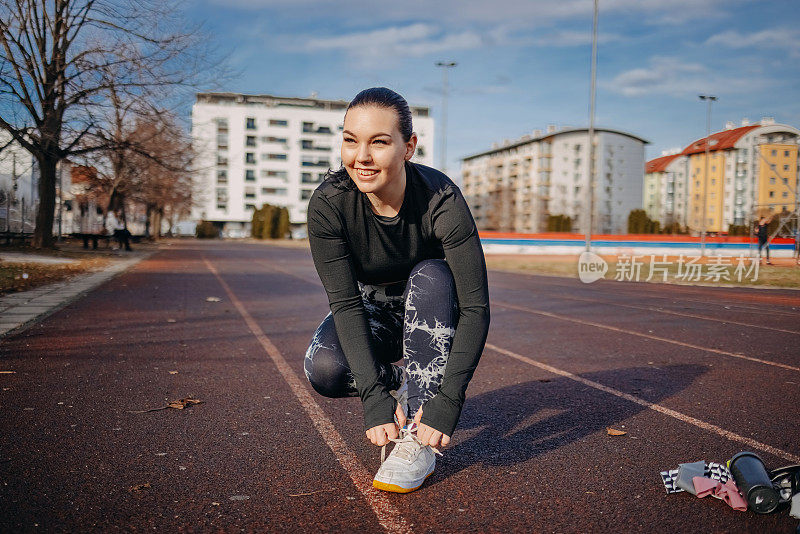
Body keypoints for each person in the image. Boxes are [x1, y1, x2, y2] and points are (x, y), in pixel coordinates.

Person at [304, 87, 490, 493]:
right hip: (376, 310)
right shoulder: (329, 205)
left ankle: (418, 435)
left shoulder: (441, 199)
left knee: (432, 275)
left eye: (379, 142)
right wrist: (374, 394)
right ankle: (402, 382)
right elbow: (345, 304)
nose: (361, 157)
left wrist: (449, 399)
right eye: (350, 140)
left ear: (408, 147)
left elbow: (476, 308)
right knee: (325, 370)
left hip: (436, 306)